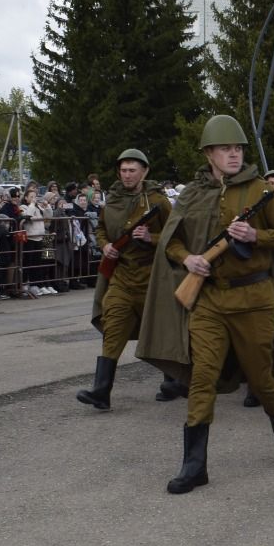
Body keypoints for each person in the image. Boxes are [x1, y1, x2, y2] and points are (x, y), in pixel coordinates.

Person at [138, 115, 274, 494]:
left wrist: (256, 234)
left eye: (238, 148)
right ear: (209, 153)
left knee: (262, 379)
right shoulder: (193, 194)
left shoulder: (262, 191)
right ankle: (194, 466)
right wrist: (188, 260)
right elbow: (172, 241)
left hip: (253, 300)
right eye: (226, 148)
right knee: (201, 379)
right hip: (208, 300)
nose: (233, 154)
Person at [76, 149, 174, 411]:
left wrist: (149, 238)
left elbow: (176, 235)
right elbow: (100, 227)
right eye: (123, 170)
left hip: (152, 277)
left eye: (132, 170)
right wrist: (106, 245)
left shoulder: (158, 201)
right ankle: (101, 391)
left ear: (144, 172)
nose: (127, 174)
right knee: (113, 326)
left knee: (160, 331)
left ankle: (173, 380)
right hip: (121, 276)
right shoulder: (113, 201)